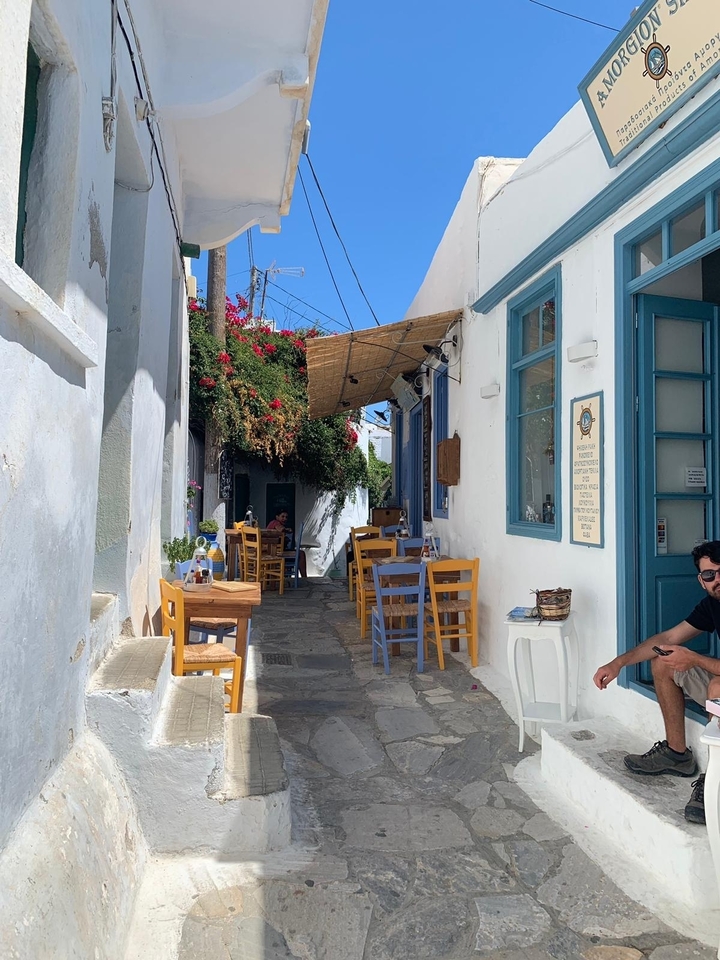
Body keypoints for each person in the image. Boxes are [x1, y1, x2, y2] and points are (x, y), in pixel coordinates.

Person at [593, 540, 720, 826]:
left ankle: (713, 782)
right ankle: (677, 755)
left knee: (717, 689)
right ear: (701, 581)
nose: (717, 580)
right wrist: (618, 663)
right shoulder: (711, 604)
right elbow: (666, 640)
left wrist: (696, 660)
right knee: (662, 660)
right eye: (709, 575)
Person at [267, 510, 307, 579]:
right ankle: (304, 578)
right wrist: (287, 530)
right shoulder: (275, 523)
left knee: (300, 553)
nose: (285, 519)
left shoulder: (274, 523)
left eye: (286, 517)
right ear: (277, 517)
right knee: (301, 554)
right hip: (276, 552)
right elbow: (280, 529)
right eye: (282, 516)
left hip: (275, 551)